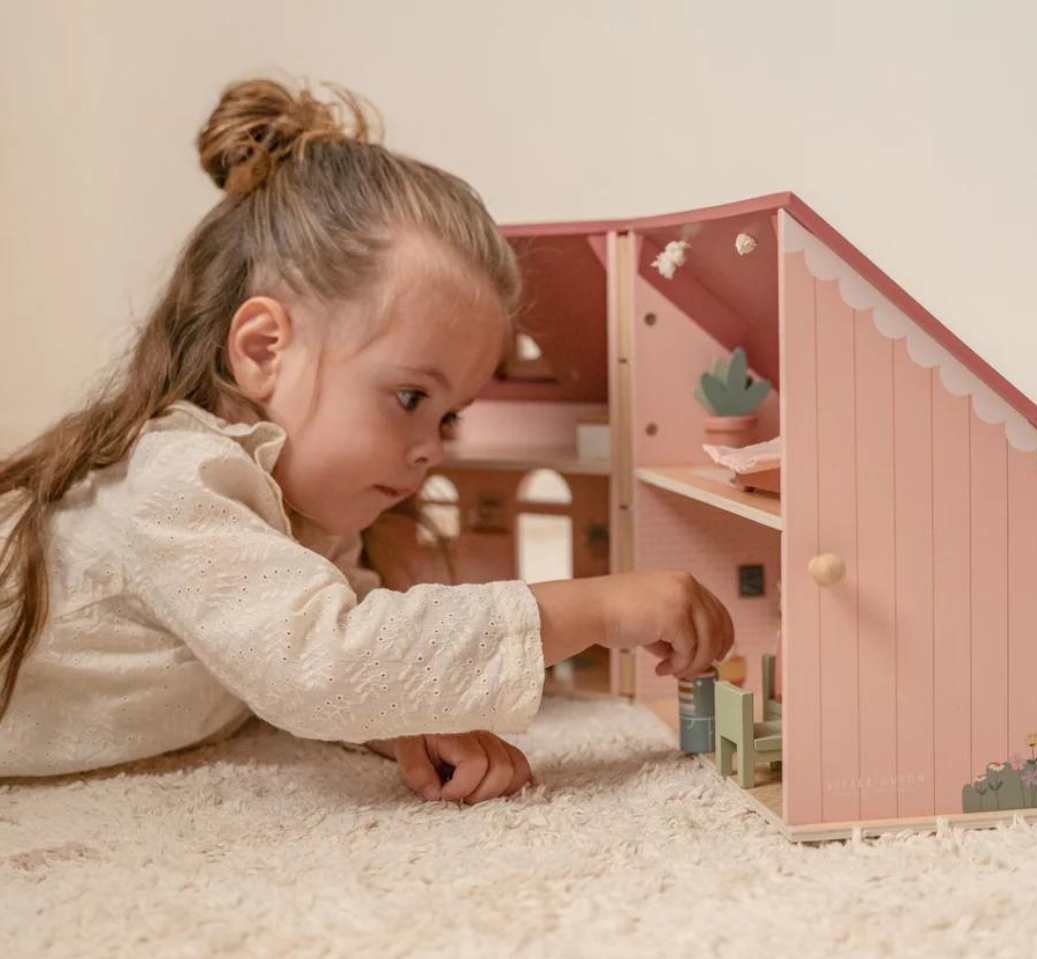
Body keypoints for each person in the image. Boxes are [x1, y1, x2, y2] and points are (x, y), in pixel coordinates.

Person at [0, 77, 734, 803]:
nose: (433, 448)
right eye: (411, 397)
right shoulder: (180, 479)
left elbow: (305, 664)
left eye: (449, 416)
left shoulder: (301, 516)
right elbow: (326, 660)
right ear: (263, 351)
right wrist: (598, 608)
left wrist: (397, 721)